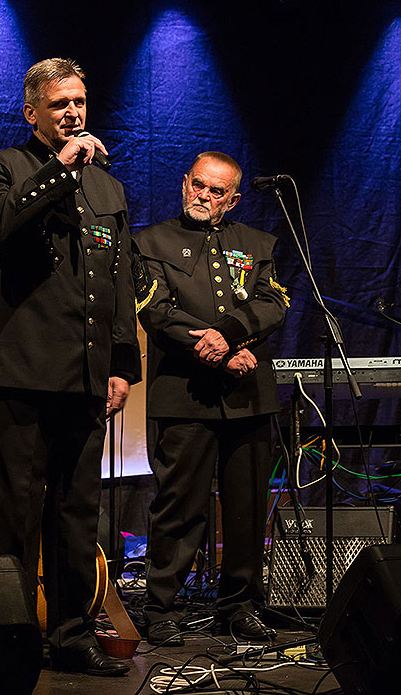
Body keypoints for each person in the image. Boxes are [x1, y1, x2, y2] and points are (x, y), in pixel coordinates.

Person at [0, 58, 140, 675]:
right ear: (31, 111)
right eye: (60, 104)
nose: (73, 114)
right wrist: (56, 170)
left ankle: (71, 635)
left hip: (88, 374)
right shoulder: (3, 167)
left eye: (80, 103)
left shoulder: (109, 186)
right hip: (25, 370)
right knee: (17, 510)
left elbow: (120, 281)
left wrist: (122, 364)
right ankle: (5, 638)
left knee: (76, 510)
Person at [133, 151, 289, 645]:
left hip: (248, 395)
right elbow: (155, 313)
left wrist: (230, 334)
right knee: (180, 506)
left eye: (216, 190)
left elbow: (273, 300)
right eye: (197, 184)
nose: (203, 194)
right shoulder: (150, 241)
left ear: (233, 198)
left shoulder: (257, 242)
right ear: (184, 183)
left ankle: (238, 606)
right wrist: (221, 353)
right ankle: (161, 608)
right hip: (184, 394)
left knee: (245, 506)